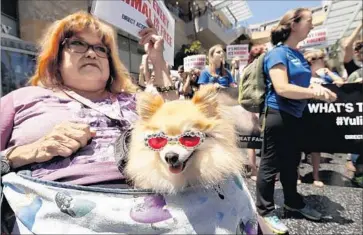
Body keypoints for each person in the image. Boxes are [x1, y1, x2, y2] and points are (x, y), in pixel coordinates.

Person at [0, 11, 176, 197]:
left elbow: (181, 126)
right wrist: (32, 150)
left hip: (154, 205)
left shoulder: (137, 100)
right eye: (77, 43)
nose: (92, 53)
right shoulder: (22, 99)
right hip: (54, 214)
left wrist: (158, 62)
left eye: (101, 49)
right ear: (56, 58)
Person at [255, 8, 337, 234]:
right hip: (277, 113)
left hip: (295, 116)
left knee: (292, 163)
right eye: (309, 21)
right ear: (294, 24)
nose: (312, 26)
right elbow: (281, 88)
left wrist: (315, 87)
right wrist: (312, 93)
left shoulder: (298, 54)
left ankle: (292, 201)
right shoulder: (278, 53)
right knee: (270, 165)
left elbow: (301, 83)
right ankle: (264, 211)